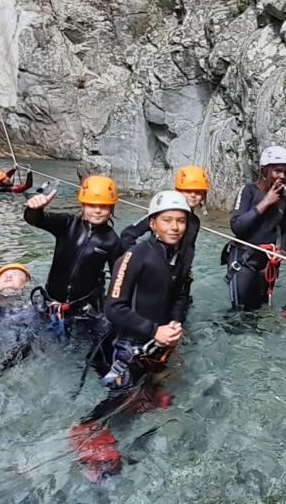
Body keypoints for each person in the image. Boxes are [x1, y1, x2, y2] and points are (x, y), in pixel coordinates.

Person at [68, 191, 191, 482]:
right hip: (128, 341)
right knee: (121, 393)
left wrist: (174, 326)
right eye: (167, 220)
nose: (174, 227)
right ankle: (86, 427)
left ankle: (145, 397)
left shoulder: (180, 256)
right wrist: (154, 330)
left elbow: (180, 296)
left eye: (181, 221)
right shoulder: (134, 256)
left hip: (157, 340)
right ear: (152, 223)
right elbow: (114, 308)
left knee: (152, 384)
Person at [23, 176, 123, 362]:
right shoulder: (67, 224)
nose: (98, 210)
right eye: (92, 205)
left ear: (112, 207)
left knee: (86, 356)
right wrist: (34, 208)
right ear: (83, 204)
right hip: (50, 302)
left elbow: (119, 279)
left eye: (104, 206)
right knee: (32, 349)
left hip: (84, 310)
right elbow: (35, 220)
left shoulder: (112, 241)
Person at [119, 166, 208, 322]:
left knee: (178, 323)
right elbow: (127, 235)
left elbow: (187, 249)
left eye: (199, 191)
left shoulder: (194, 222)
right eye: (188, 191)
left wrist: (185, 270)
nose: (193, 195)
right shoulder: (161, 214)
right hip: (157, 278)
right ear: (178, 191)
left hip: (180, 281)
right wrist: (140, 265)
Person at [225, 146, 286, 311]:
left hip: (266, 264)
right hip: (243, 259)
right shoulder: (248, 191)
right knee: (239, 313)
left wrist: (283, 250)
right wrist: (265, 203)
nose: (282, 176)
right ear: (264, 170)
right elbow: (237, 226)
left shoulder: (284, 198)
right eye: (277, 171)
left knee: (260, 311)